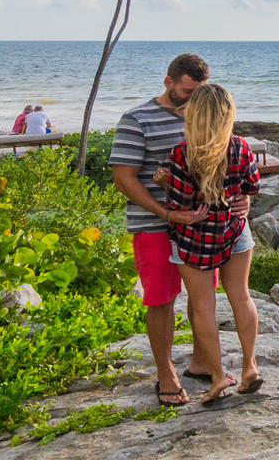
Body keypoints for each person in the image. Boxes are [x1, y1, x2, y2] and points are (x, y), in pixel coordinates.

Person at [108, 53, 209, 406]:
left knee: (203, 297)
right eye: (186, 91)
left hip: (200, 225)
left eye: (199, 92)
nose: (192, 98)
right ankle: (166, 373)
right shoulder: (136, 119)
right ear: (168, 83)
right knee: (161, 298)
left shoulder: (203, 116)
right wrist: (165, 213)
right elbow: (124, 178)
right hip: (154, 224)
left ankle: (202, 362)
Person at [161, 82, 261, 402]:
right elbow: (252, 185)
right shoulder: (241, 146)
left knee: (204, 307)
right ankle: (249, 367)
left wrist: (164, 181)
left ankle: (217, 377)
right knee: (241, 298)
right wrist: (241, 197)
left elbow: (179, 205)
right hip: (233, 231)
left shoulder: (181, 153)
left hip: (195, 240)